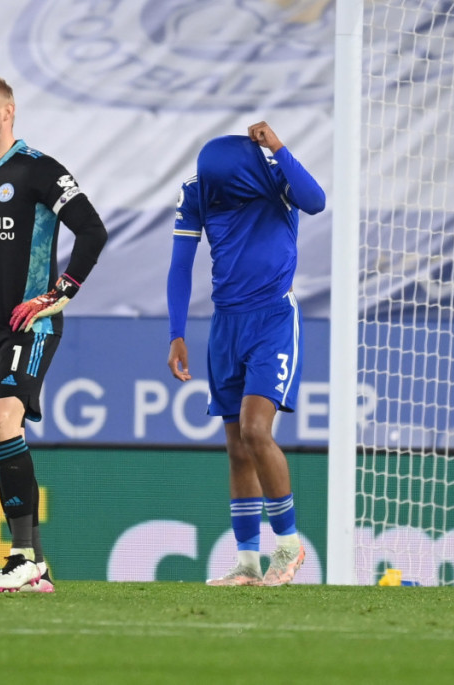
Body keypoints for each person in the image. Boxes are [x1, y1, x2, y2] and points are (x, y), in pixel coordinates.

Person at [0, 74, 108, 593]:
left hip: (28, 324)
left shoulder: (39, 170)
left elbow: (92, 230)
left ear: (8, 111)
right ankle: (37, 567)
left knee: (1, 420)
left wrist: (59, 293)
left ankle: (20, 557)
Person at [166, 122, 326, 586]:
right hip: (226, 325)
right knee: (237, 447)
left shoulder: (277, 178)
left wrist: (279, 147)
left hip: (272, 319)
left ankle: (289, 546)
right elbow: (181, 265)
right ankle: (247, 562)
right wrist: (176, 332)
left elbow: (316, 201)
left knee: (256, 430)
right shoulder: (196, 190)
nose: (220, 194)